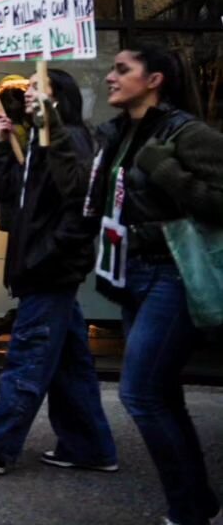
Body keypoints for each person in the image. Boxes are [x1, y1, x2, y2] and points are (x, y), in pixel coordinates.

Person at [0, 68, 116, 475]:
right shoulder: (39, 141)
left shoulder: (69, 141)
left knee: (28, 360)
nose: (30, 96)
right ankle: (90, 446)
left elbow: (79, 207)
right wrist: (3, 146)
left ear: (61, 98)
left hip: (48, 269)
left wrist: (49, 255)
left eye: (40, 90)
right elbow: (9, 191)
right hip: (43, 265)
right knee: (71, 365)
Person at [89, 44, 222, 525]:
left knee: (140, 394)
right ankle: (197, 504)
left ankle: (188, 510)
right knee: (162, 394)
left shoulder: (188, 134)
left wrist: (164, 170)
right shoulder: (118, 134)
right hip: (135, 272)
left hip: (174, 274)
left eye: (123, 69)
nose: (110, 77)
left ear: (155, 79)